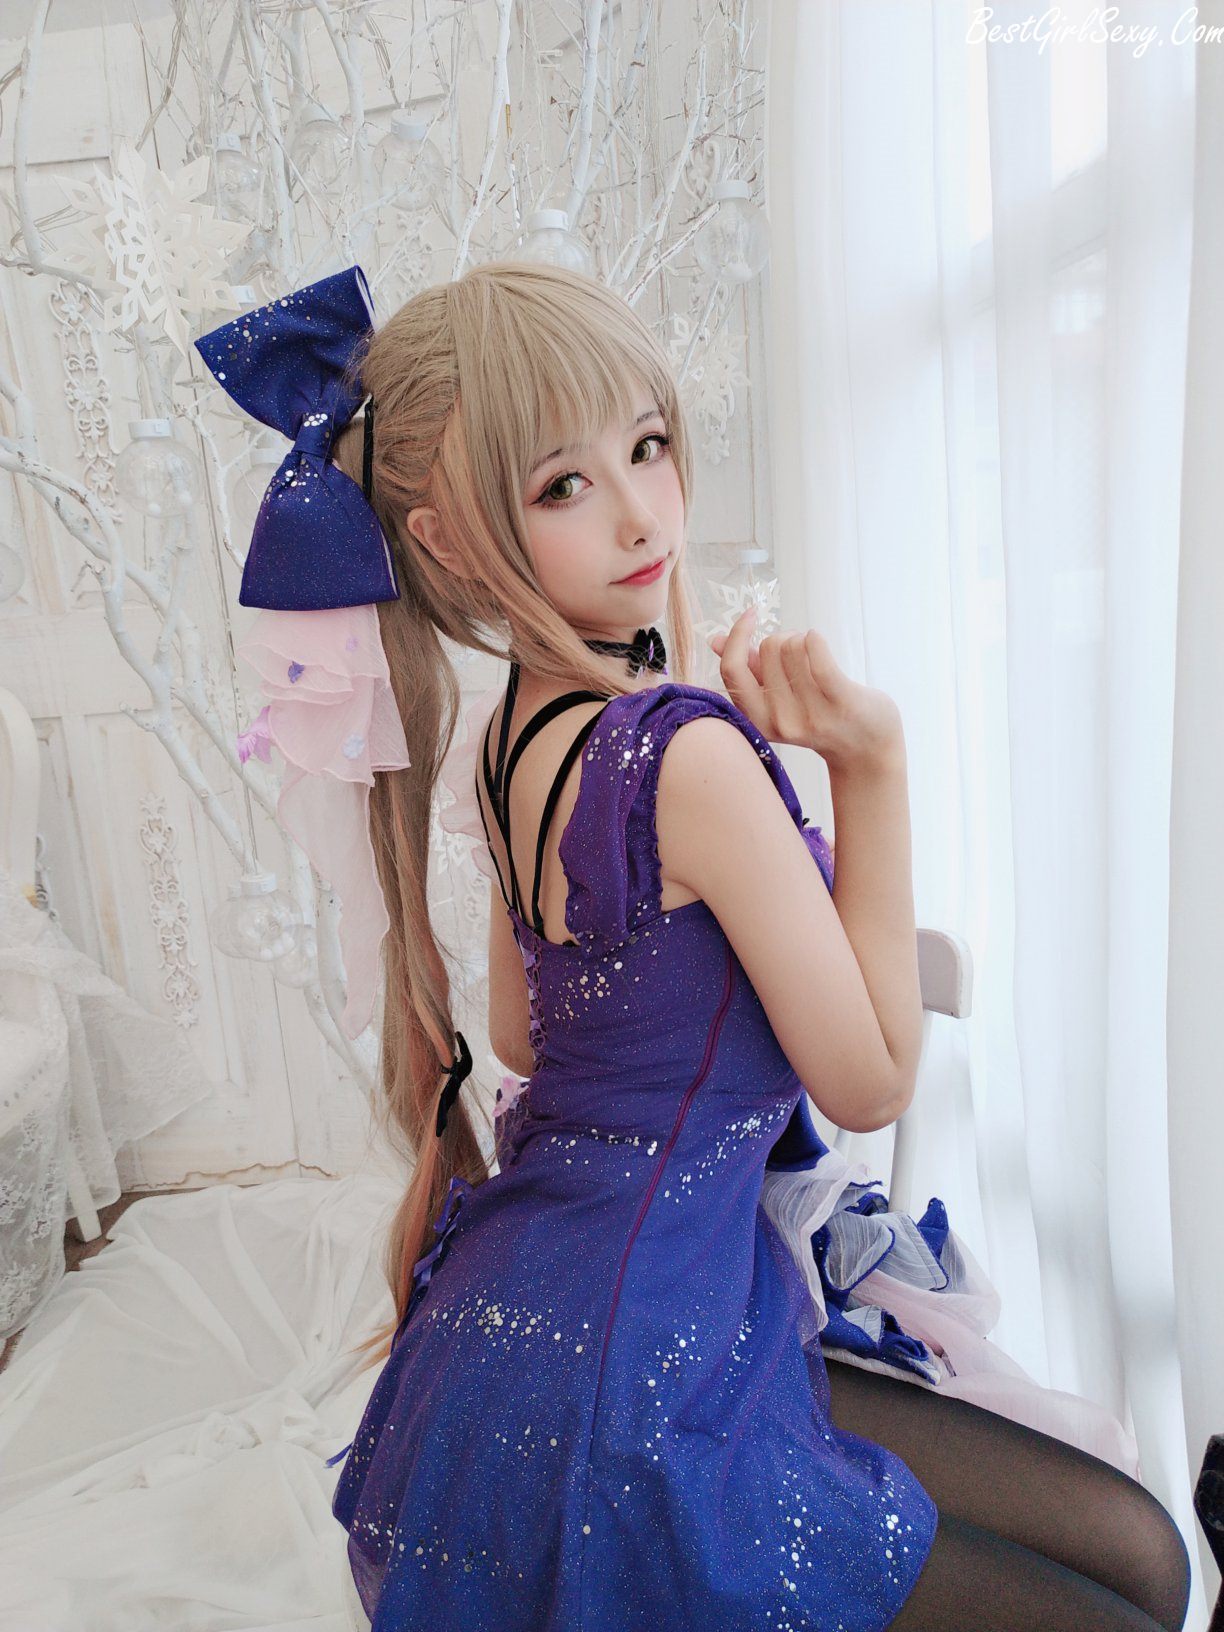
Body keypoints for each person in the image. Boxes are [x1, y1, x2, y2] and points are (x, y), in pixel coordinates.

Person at [202, 261, 1192, 1631]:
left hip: (543, 1333)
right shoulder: (680, 755)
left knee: (1142, 1553)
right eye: (563, 485)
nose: (640, 511)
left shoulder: (512, 736)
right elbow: (871, 1086)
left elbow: (526, 1036)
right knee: (1138, 1586)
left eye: (649, 445)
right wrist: (873, 763)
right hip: (632, 1388)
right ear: (449, 543)